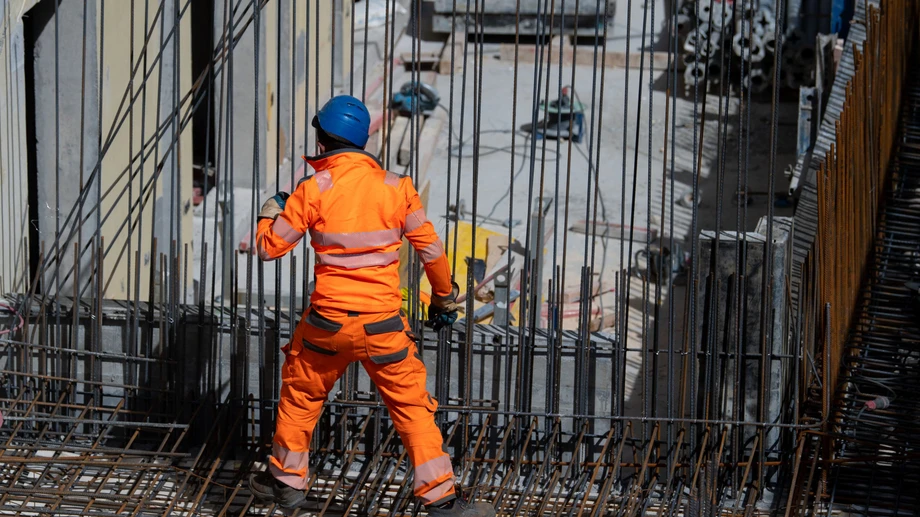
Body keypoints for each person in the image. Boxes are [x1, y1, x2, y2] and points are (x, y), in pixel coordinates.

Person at [248, 95, 495, 517]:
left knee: (302, 396)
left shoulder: (312, 190)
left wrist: (270, 213)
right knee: (412, 407)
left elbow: (269, 248)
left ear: (322, 141)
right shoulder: (396, 187)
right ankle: (441, 500)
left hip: (326, 327)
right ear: (362, 142)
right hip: (382, 328)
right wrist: (441, 298)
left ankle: (287, 483)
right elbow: (432, 252)